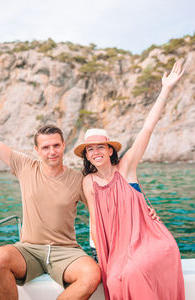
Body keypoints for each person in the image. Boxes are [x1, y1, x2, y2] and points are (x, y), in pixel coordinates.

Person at [74, 61, 185, 300]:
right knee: (115, 277)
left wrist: (165, 90)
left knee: (134, 271)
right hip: (116, 248)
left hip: (150, 241)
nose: (96, 152)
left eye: (100, 147)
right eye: (90, 149)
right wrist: (97, 252)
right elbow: (95, 218)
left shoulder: (126, 167)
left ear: (110, 150)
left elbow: (147, 127)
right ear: (87, 156)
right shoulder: (89, 182)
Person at [0, 124, 101, 300]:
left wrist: (145, 213)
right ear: (37, 149)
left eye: (56, 145)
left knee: (91, 275)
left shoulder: (79, 180)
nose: (52, 151)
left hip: (66, 251)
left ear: (63, 145)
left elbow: (105, 207)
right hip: (29, 249)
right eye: (45, 147)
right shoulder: (25, 166)